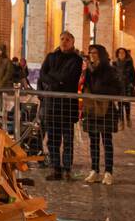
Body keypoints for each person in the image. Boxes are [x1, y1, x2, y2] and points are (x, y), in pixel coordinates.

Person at [37, 31, 83, 181]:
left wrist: (52, 79)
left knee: (68, 139)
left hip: (67, 106)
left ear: (72, 42)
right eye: (62, 38)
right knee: (53, 140)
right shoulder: (51, 57)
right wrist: (57, 81)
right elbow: (42, 74)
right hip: (52, 105)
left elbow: (69, 78)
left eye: (67, 39)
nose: (64, 41)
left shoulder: (76, 59)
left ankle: (67, 169)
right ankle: (56, 168)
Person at [81, 44, 122, 185]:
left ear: (101, 54)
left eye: (95, 53)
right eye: (90, 52)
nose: (92, 55)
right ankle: (94, 170)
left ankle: (108, 172)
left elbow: (117, 88)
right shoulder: (88, 70)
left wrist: (99, 91)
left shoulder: (110, 70)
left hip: (106, 109)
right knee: (93, 141)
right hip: (92, 109)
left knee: (107, 141)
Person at [113, 47, 135, 127]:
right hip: (119, 86)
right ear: (117, 54)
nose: (121, 54)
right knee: (120, 104)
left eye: (123, 52)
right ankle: (121, 121)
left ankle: (128, 118)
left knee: (127, 103)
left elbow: (133, 75)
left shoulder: (129, 63)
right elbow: (113, 75)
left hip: (127, 86)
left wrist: (132, 83)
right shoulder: (114, 63)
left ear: (126, 54)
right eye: (119, 52)